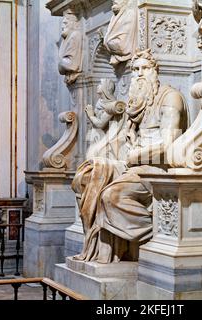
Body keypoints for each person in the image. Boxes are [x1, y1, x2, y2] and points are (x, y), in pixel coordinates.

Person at [71, 49, 188, 263]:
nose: (140, 74)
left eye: (145, 68)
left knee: (110, 196)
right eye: (136, 69)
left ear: (155, 71)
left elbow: (169, 144)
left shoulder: (171, 98)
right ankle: (96, 246)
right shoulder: (138, 103)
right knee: (84, 177)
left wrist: (136, 155)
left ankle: (158, 231)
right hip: (133, 167)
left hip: (156, 170)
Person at [85, 79, 127, 160]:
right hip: (97, 134)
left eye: (100, 84)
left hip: (106, 137)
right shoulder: (100, 102)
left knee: (93, 156)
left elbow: (101, 124)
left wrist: (91, 116)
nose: (98, 85)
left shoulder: (111, 105)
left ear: (106, 88)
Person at [103, 0, 138, 66]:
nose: (114, 0)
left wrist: (108, 41)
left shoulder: (130, 13)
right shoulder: (115, 16)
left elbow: (122, 45)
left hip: (124, 49)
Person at [58, 9, 83, 85]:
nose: (62, 26)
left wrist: (61, 63)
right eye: (62, 23)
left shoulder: (75, 35)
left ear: (72, 24)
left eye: (65, 23)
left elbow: (70, 64)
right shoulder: (66, 39)